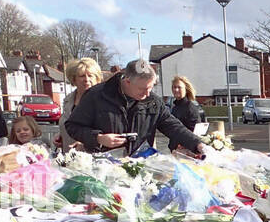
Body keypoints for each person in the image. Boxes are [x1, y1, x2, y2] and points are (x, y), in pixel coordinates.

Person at [65, 58, 204, 156]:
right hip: (104, 168)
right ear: (127, 82)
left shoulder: (153, 102)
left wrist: (198, 144)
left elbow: (174, 127)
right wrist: (98, 138)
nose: (147, 93)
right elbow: (73, 126)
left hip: (140, 168)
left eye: (151, 88)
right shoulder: (96, 96)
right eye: (143, 89)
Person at [59, 57, 103, 150]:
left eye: (90, 75)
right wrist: (61, 135)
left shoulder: (104, 101)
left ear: (97, 78)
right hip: (68, 156)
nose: (86, 79)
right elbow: (69, 125)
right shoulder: (68, 100)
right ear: (74, 79)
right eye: (82, 76)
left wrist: (86, 141)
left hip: (93, 157)